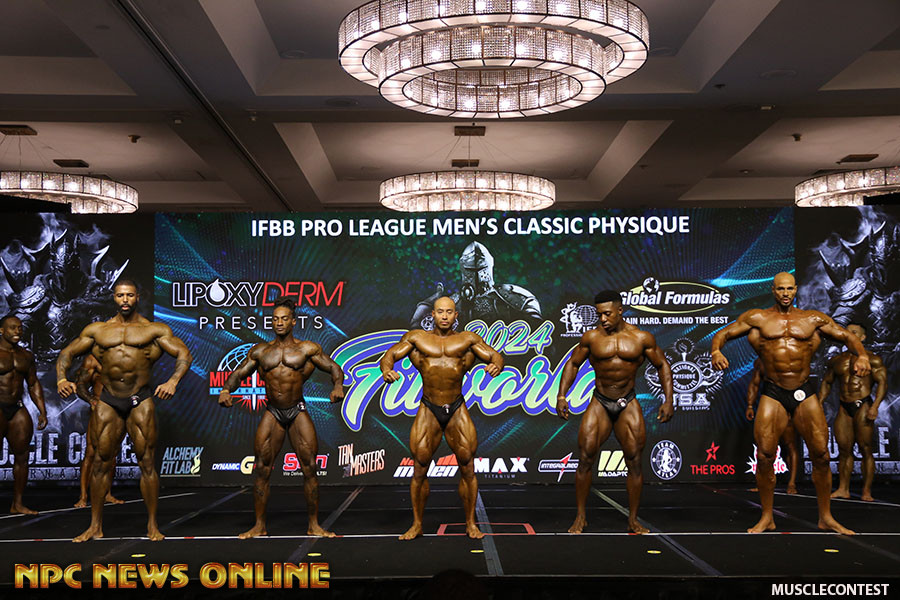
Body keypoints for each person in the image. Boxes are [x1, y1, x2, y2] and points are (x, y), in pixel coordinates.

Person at [711, 272, 869, 534]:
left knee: (821, 455)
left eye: (789, 289)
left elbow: (847, 336)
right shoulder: (757, 318)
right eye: (781, 289)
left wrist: (861, 355)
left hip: (804, 391)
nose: (785, 293)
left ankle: (825, 517)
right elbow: (724, 334)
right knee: (764, 455)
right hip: (773, 391)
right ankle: (767, 517)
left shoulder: (812, 319)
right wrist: (716, 350)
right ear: (773, 290)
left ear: (796, 290)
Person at [57, 279, 192, 542]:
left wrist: (173, 381)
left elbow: (184, 354)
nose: (125, 300)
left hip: (140, 399)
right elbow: (66, 353)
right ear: (114, 298)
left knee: (147, 463)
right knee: (100, 462)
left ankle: (152, 525)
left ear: (137, 297)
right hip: (108, 400)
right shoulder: (98, 330)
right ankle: (95, 526)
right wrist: (62, 379)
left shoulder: (154, 330)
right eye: (120, 295)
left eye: (130, 295)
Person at [218, 296, 344, 539]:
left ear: (293, 322)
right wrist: (226, 389)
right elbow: (238, 373)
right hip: (273, 411)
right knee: (262, 468)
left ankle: (314, 525)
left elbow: (333, 368)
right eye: (275, 319)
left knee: (310, 467)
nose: (279, 323)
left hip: (297, 410)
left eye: (284, 319)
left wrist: (337, 386)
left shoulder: (307, 349)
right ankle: (259, 526)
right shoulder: (261, 351)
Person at [381, 296, 503, 540]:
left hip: (456, 407)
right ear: (433, 315)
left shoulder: (468, 339)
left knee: (467, 466)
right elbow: (390, 355)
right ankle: (417, 524)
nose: (445, 316)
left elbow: (495, 355)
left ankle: (471, 524)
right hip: (429, 407)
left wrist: (497, 366)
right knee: (419, 467)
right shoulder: (417, 338)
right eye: (440, 312)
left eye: (449, 312)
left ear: (456, 315)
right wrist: (386, 369)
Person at [556, 290, 674, 534]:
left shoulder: (641, 338)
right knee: (585, 457)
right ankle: (580, 517)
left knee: (634, 461)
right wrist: (561, 395)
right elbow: (573, 363)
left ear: (620, 311)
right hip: (600, 401)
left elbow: (662, 364)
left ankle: (633, 520)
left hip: (627, 402)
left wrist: (668, 399)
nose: (602, 319)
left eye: (607, 314)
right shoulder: (591, 338)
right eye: (599, 314)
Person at [819, 323, 887, 502]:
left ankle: (866, 491)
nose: (849, 335)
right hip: (844, 407)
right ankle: (843, 489)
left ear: (863, 337)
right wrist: (819, 403)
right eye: (846, 332)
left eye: (854, 332)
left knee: (866, 448)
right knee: (844, 450)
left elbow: (882, 383)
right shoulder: (837, 360)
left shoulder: (873, 359)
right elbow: (827, 382)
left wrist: (875, 406)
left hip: (863, 405)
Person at [0, 315, 48, 514]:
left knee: (22, 456)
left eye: (19, 328)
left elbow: (33, 383)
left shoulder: (26, 356)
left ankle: (17, 503)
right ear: (2, 331)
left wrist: (42, 411)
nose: (17, 331)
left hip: (17, 408)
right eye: (12, 328)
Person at [73, 354, 123, 508]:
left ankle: (107, 494)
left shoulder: (124, 355)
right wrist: (91, 400)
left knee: (113, 454)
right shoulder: (93, 359)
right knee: (90, 452)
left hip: (119, 409)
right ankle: (83, 496)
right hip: (99, 409)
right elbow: (80, 384)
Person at [746, 358, 802, 495]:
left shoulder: (791, 357)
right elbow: (754, 384)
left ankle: (792, 483)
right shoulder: (761, 361)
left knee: (790, 445)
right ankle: (763, 483)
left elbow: (800, 382)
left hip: (789, 405)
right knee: (763, 447)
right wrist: (750, 405)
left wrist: (795, 406)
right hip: (770, 406)